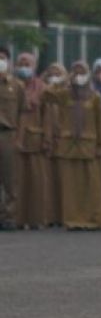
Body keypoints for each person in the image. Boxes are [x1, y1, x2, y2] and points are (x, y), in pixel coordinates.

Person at [45, 61, 101, 231]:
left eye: (82, 72)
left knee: (91, 185)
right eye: (76, 72)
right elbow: (45, 94)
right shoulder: (65, 95)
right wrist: (64, 79)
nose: (79, 76)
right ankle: (73, 220)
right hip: (69, 147)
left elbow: (100, 122)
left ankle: (93, 220)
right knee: (71, 186)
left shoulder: (94, 96)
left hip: (89, 146)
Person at [14, 52, 50, 230]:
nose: (23, 67)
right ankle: (17, 219)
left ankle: (37, 219)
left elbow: (48, 115)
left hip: (36, 139)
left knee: (37, 182)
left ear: (34, 66)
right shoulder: (11, 86)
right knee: (18, 182)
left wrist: (47, 138)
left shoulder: (42, 88)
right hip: (15, 140)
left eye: (27, 63)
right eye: (20, 63)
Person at [0, 47, 24, 231]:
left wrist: (19, 137)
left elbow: (23, 113)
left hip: (8, 133)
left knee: (9, 178)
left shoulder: (17, 85)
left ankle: (9, 217)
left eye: (2, 58)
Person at [41, 63, 67, 227]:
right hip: (47, 138)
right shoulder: (44, 93)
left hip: (63, 138)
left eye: (58, 73)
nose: (54, 76)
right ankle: (49, 216)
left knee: (63, 180)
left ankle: (64, 215)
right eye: (51, 73)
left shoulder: (67, 93)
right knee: (48, 180)